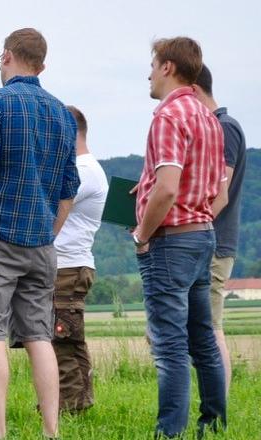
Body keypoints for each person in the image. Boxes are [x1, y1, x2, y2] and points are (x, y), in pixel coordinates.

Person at [0, 28, 77, 440]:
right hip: (41, 244)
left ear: (6, 56)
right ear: (41, 65)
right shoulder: (62, 113)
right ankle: (51, 431)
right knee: (39, 336)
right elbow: (68, 190)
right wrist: (49, 232)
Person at [133, 36, 227, 438]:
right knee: (202, 338)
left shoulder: (168, 116)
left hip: (172, 239)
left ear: (168, 67)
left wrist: (141, 233)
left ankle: (169, 432)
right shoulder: (209, 117)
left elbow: (169, 187)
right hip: (203, 233)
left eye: (153, 65)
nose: (149, 73)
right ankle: (214, 424)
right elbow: (218, 191)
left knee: (170, 344)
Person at [51, 105, 108, 414]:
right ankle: (68, 402)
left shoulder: (83, 171)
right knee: (61, 338)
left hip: (68, 267)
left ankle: (72, 407)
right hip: (65, 266)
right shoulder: (81, 169)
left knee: (65, 340)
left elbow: (53, 200)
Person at [195, 66, 245, 398]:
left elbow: (219, 194)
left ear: (195, 90)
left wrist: (192, 224)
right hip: (208, 239)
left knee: (212, 329)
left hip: (214, 240)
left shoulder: (224, 129)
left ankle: (218, 406)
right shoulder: (221, 127)